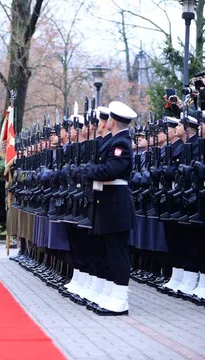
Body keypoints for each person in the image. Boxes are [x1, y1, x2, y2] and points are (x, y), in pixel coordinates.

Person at [85, 101, 137, 316]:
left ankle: (120, 299)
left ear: (113, 122)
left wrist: (89, 170)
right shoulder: (114, 141)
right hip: (107, 203)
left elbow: (111, 170)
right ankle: (111, 295)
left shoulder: (121, 143)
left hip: (116, 204)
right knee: (108, 252)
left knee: (118, 254)